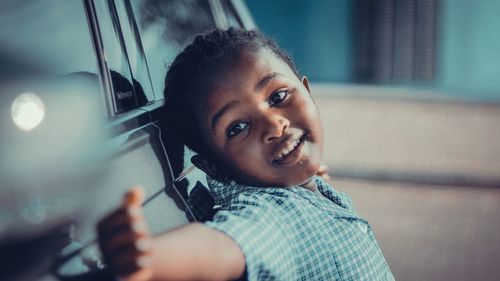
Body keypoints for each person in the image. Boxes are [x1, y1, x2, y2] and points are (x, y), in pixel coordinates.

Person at [97, 28, 394, 281]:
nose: (275, 126)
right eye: (238, 127)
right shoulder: (276, 217)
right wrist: (153, 255)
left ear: (308, 93)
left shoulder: (299, 190)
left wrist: (310, 182)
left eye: (278, 97)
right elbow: (223, 247)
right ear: (213, 167)